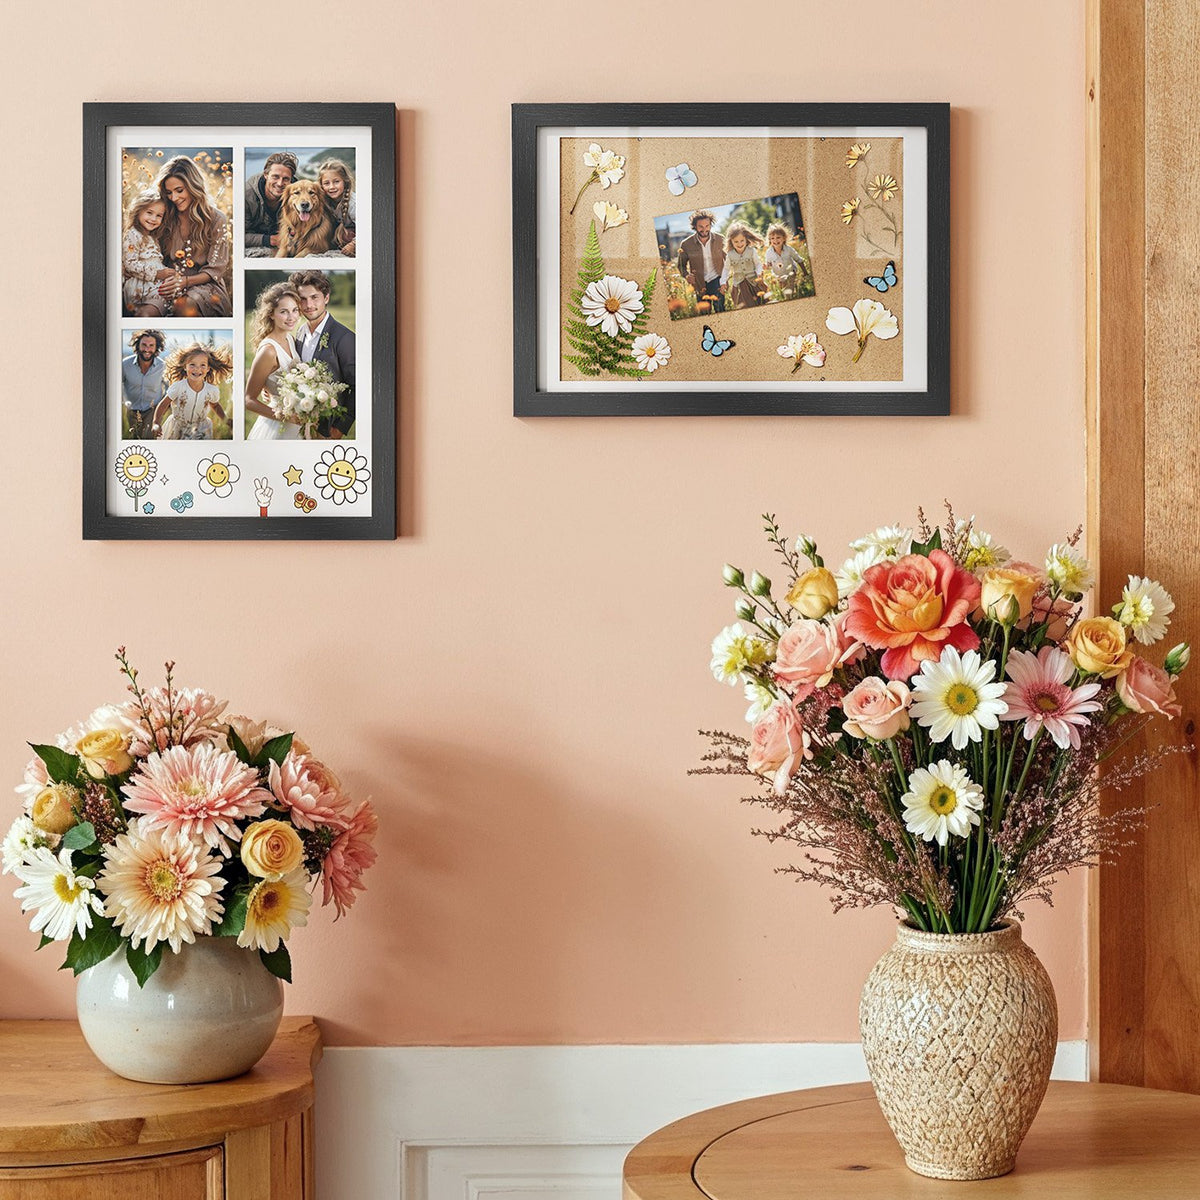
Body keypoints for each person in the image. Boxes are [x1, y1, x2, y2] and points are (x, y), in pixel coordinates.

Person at [150, 156, 232, 317]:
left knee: (184, 307)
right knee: (147, 311)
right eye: (169, 193)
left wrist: (185, 282)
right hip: (167, 282)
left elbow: (215, 270)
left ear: (193, 186)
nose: (174, 198)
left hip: (205, 286)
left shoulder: (216, 219)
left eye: (179, 190)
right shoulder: (164, 215)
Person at [290, 269, 355, 438]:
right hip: (299, 424)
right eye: (302, 299)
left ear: (326, 298)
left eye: (314, 297)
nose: (308, 305)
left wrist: (339, 429)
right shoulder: (300, 332)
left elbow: (358, 386)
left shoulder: (345, 337)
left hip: (328, 428)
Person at [245, 282, 305, 441]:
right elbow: (248, 400)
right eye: (284, 312)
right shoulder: (269, 351)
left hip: (298, 424)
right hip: (278, 427)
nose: (291, 317)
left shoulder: (290, 339)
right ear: (271, 314)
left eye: (295, 310)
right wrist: (286, 417)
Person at [154, 343, 231, 439]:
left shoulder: (211, 390)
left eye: (203, 365)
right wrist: (156, 422)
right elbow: (163, 404)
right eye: (192, 365)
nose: (197, 369)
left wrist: (225, 420)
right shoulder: (178, 387)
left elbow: (215, 405)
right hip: (177, 427)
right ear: (185, 366)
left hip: (201, 429)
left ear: (208, 368)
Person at [121, 191, 173, 316]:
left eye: (159, 215)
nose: (153, 219)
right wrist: (157, 273)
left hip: (153, 284)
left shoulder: (152, 237)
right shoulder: (133, 235)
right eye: (149, 213)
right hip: (141, 287)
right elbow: (130, 264)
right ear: (138, 210)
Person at [245, 151, 298, 255]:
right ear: (266, 174)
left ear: (291, 180)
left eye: (286, 179)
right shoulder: (246, 196)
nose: (280, 183)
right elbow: (238, 235)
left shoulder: (297, 195)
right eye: (275, 177)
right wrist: (270, 240)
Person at [676, 210, 725, 313]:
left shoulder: (720, 239)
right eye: (701, 227)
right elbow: (681, 265)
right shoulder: (686, 244)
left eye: (707, 226)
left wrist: (725, 280)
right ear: (695, 226)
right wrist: (686, 275)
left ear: (711, 225)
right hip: (699, 284)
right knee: (704, 314)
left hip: (717, 281)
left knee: (720, 310)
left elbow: (728, 260)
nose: (704, 229)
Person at [121, 329, 166, 440]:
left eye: (151, 345)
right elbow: (116, 384)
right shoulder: (125, 364)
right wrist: (123, 401)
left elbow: (170, 389)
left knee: (148, 439)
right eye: (144, 345)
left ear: (156, 347)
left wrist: (162, 408)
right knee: (133, 439)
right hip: (131, 410)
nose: (147, 349)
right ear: (137, 345)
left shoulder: (162, 366)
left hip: (152, 410)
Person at [719, 222, 765, 310]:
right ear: (731, 242)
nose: (739, 244)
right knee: (744, 307)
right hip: (739, 285)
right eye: (736, 241)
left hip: (754, 283)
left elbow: (758, 264)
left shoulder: (752, 251)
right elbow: (726, 269)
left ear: (746, 239)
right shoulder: (730, 255)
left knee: (760, 304)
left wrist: (759, 272)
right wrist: (723, 282)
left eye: (742, 241)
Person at [318, 159, 356, 257]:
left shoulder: (353, 203)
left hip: (353, 235)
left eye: (336, 182)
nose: (332, 187)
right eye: (326, 183)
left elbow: (365, 228)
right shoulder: (323, 200)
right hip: (336, 235)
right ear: (321, 186)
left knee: (346, 235)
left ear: (345, 181)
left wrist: (353, 245)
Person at [762, 222, 805, 297]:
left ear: (784, 238)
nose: (775, 240)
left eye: (778, 237)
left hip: (790, 273)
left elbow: (799, 260)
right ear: (769, 240)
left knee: (789, 292)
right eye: (772, 238)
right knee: (783, 293)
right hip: (778, 276)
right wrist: (766, 266)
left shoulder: (789, 249)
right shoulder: (769, 252)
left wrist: (805, 272)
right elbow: (769, 264)